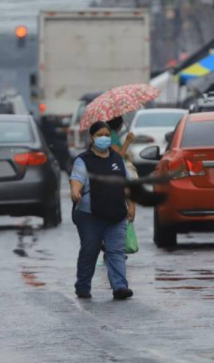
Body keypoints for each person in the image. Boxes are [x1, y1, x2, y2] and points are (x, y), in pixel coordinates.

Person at [70, 121, 136, 300]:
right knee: (90, 251)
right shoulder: (83, 160)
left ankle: (120, 287)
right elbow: (77, 179)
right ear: (92, 138)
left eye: (107, 135)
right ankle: (83, 286)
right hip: (89, 214)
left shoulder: (117, 159)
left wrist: (131, 206)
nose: (104, 138)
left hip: (116, 214)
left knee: (116, 251)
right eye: (100, 135)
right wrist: (75, 191)